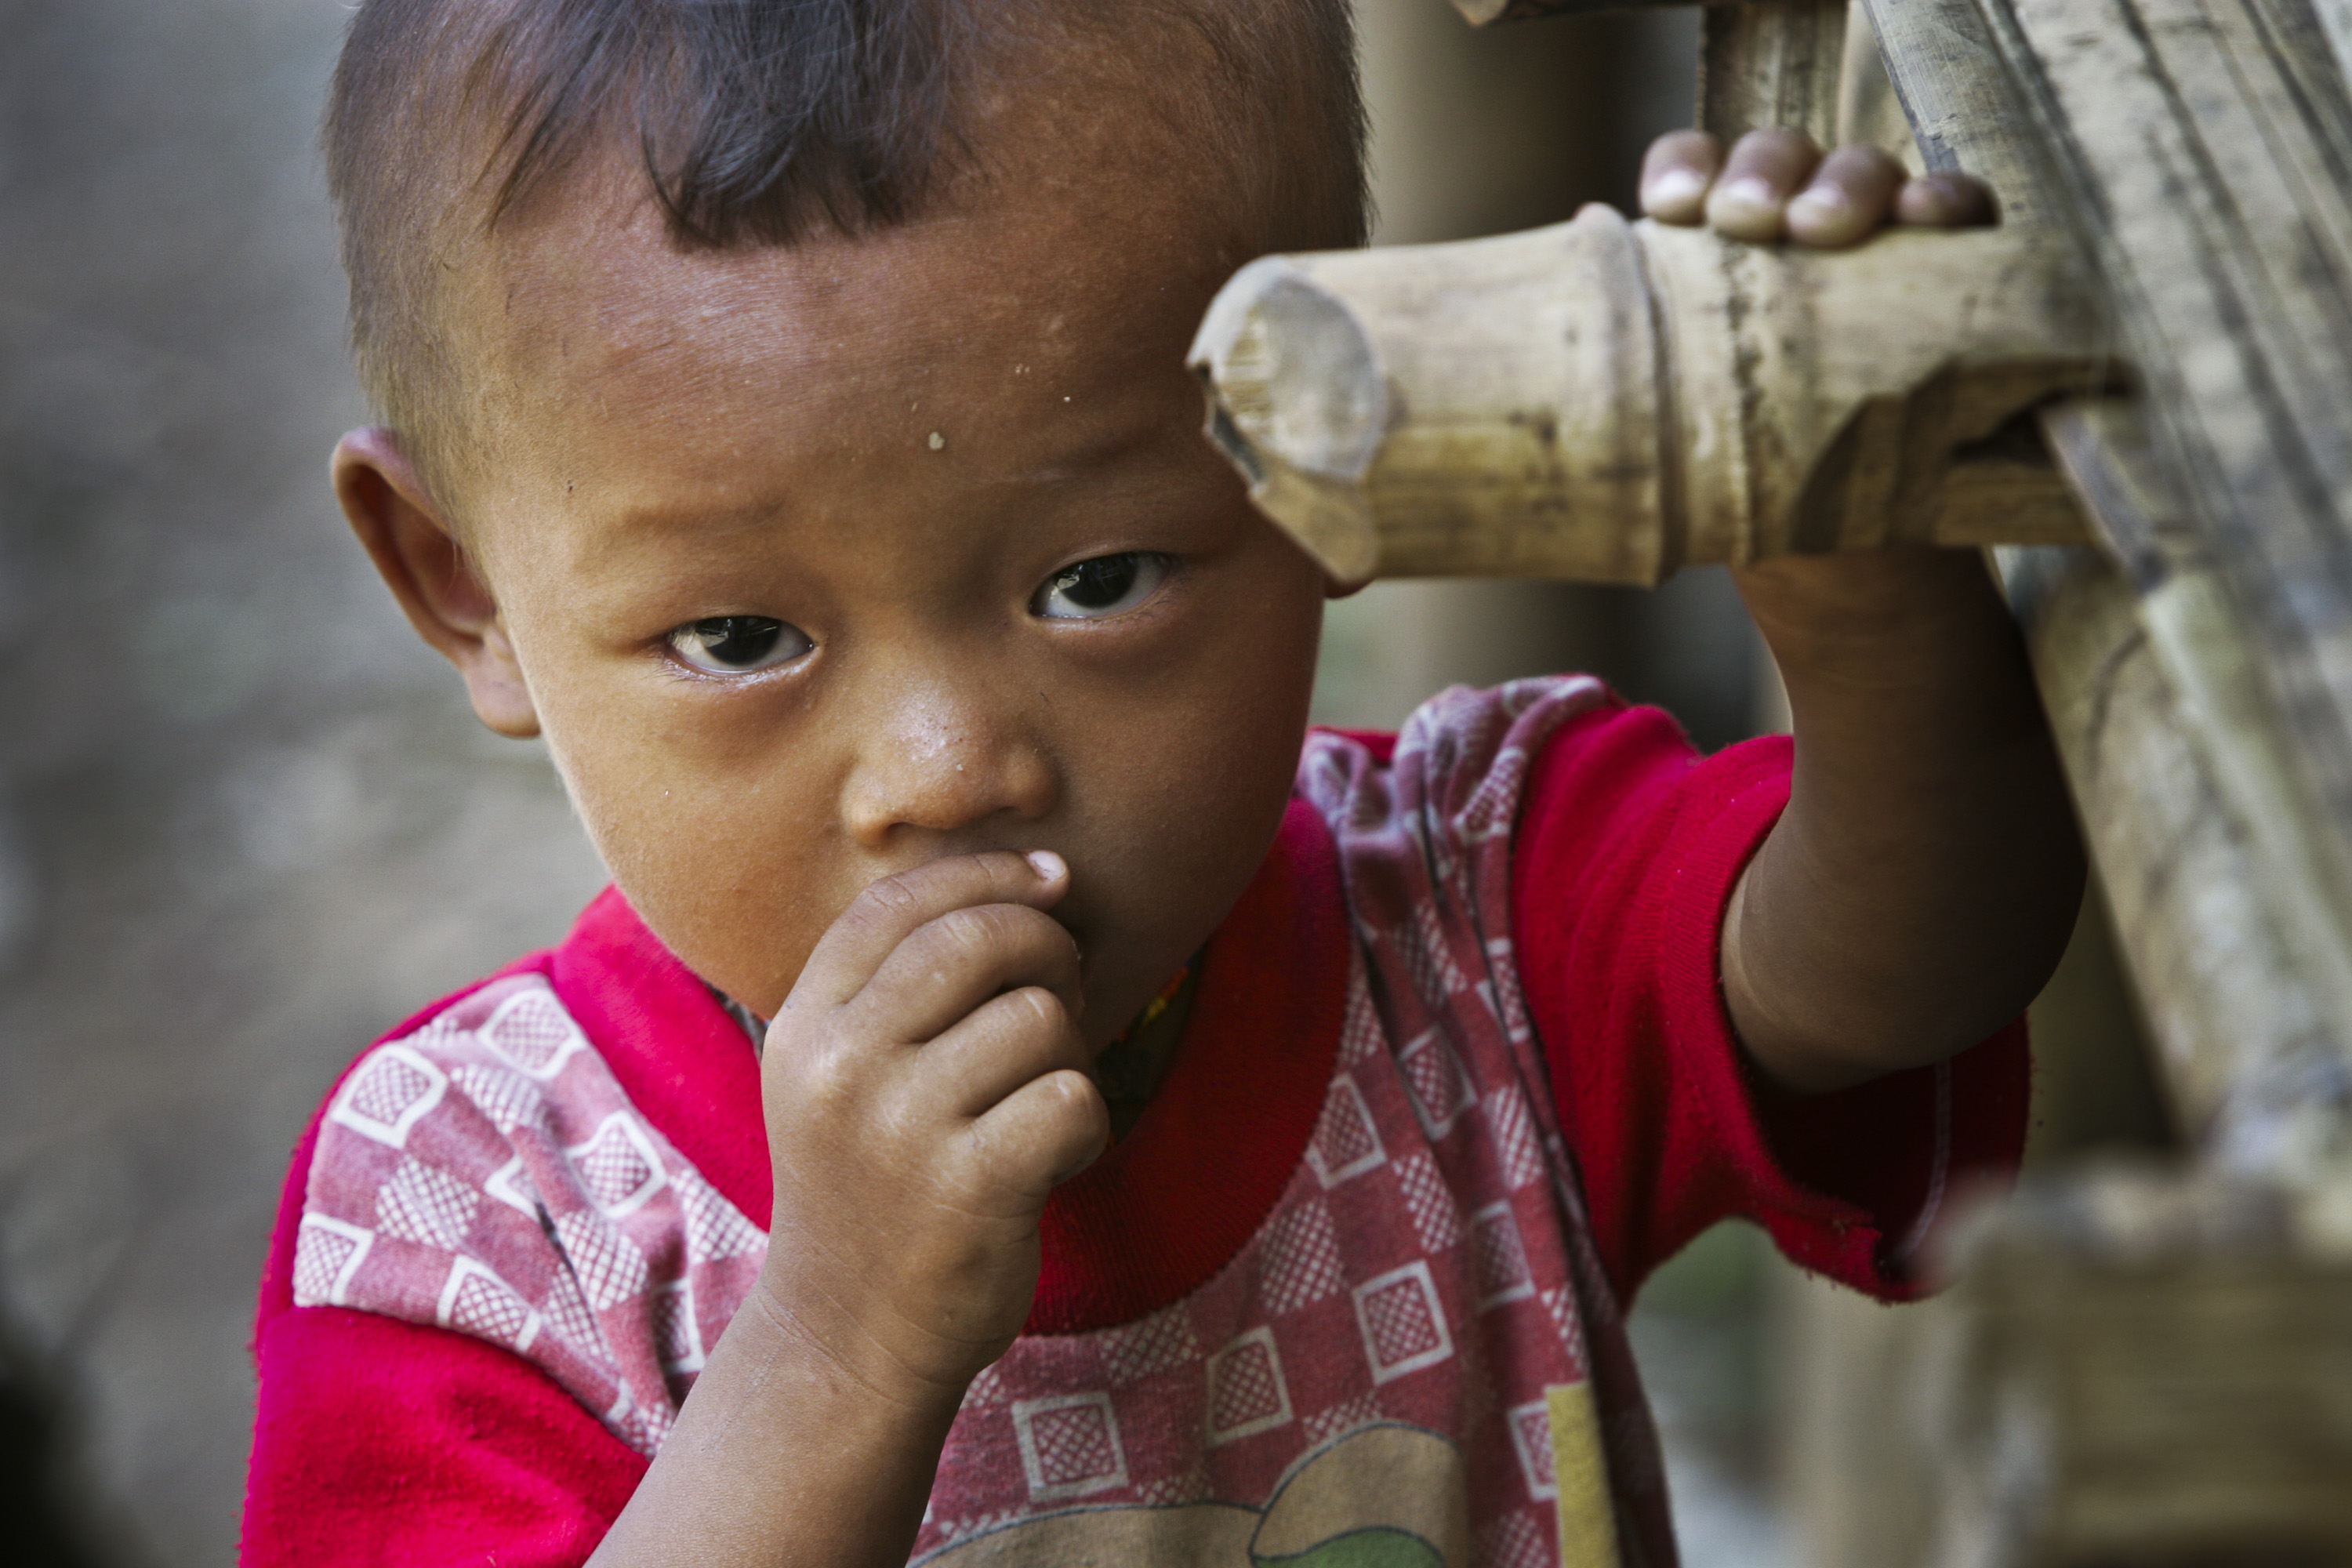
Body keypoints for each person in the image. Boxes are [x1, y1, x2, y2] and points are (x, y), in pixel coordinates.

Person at [240, 2, 2078, 1564]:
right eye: (739, 637)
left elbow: (1908, 959)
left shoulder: (1471, 918)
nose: (949, 769)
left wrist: (1863, 574)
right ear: (459, 581)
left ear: (1332, 442)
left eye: (1098, 581)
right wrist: (832, 1350)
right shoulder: (470, 1230)